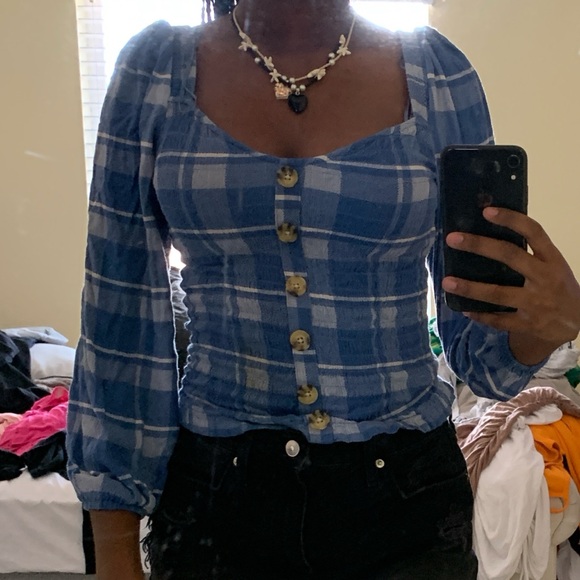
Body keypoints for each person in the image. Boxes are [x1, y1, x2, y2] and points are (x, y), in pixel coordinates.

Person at [66, 0, 580, 578]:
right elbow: (119, 317)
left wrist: (550, 326)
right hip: (216, 504)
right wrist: (115, 550)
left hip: (406, 506)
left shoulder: (438, 75)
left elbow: (480, 360)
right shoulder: (155, 71)